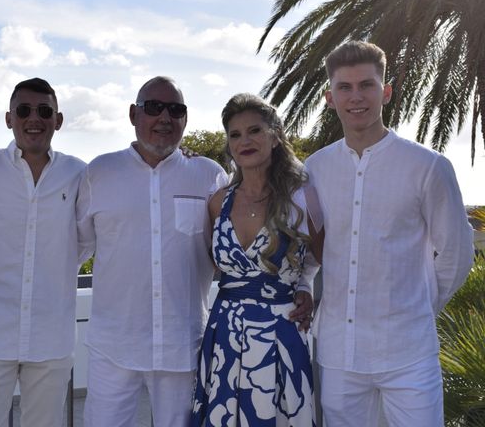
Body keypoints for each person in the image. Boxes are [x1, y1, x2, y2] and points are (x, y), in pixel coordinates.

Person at [305, 41, 474, 426]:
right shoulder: (314, 169)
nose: (356, 96)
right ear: (330, 97)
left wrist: (417, 310)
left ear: (386, 91)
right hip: (338, 354)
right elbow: (310, 249)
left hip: (408, 354)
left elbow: (456, 254)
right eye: (344, 88)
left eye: (366, 85)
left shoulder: (428, 166)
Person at [76, 76, 228, 427]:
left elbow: (229, 249)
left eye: (176, 110)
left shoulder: (208, 175)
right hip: (113, 347)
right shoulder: (99, 172)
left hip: (183, 344)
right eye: (154, 107)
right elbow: (77, 246)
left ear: (186, 119)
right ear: (133, 114)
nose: (165, 117)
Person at [0, 78, 86, 427]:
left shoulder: (77, 173)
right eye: (24, 110)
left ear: (58, 120)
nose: (35, 118)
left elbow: (86, 238)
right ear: (8, 118)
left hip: (51, 333)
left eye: (45, 111)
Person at [191, 93, 322, 426]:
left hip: (282, 332)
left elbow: (324, 257)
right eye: (235, 134)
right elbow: (210, 259)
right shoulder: (218, 202)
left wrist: (305, 285)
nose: (244, 141)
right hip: (224, 332)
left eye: (254, 131)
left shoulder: (301, 196)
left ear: (275, 135)